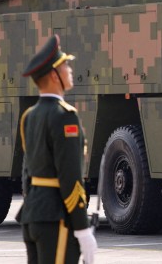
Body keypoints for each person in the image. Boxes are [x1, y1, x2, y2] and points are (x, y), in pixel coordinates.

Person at [18, 35, 98, 264]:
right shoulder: (64, 116)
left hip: (33, 214)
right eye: (65, 66)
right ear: (54, 75)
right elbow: (71, 177)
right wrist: (82, 229)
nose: (70, 70)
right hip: (57, 219)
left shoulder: (29, 116)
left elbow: (28, 174)